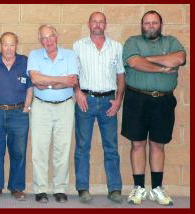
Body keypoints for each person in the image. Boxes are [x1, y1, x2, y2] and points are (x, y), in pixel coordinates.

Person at [122, 10, 186, 206]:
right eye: (147, 23)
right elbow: (133, 62)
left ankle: (157, 188)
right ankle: (139, 188)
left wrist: (147, 59)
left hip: (163, 101)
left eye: (154, 23)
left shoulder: (172, 41)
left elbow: (179, 59)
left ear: (161, 24)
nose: (150, 26)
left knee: (159, 144)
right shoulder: (132, 41)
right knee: (137, 144)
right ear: (142, 25)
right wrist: (161, 66)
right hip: (137, 99)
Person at [72, 12, 125, 204]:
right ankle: (83, 188)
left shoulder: (117, 47)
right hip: (85, 100)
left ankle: (115, 189)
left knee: (111, 147)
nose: (97, 25)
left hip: (108, 102)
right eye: (94, 21)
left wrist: (118, 99)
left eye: (101, 22)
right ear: (88, 24)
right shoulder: (78, 46)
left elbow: (121, 76)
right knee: (82, 147)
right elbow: (73, 73)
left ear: (105, 24)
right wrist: (77, 91)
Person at [28, 24, 78, 203]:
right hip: (41, 106)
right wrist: (60, 80)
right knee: (39, 149)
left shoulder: (70, 55)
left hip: (65, 106)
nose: (48, 41)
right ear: (39, 40)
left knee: (62, 149)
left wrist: (47, 82)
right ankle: (40, 189)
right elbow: (35, 79)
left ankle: (60, 189)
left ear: (57, 37)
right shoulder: (34, 55)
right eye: (44, 37)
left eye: (51, 36)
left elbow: (72, 81)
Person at [0, 32, 33, 201]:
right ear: (0, 45)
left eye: (12, 44)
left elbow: (30, 87)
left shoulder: (24, 62)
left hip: (19, 113)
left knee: (18, 151)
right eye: (6, 44)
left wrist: (26, 107)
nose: (9, 48)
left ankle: (16, 187)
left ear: (16, 45)